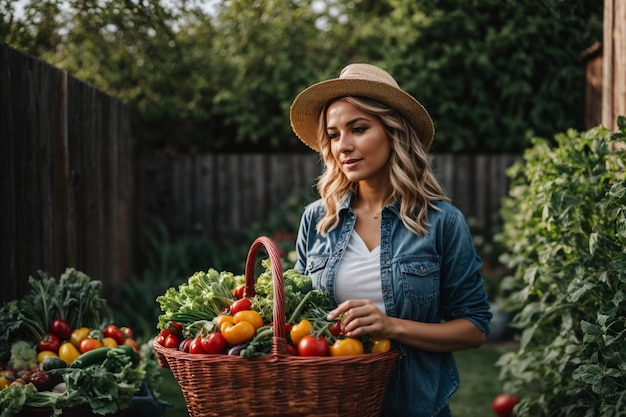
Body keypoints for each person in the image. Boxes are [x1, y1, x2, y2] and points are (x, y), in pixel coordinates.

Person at [289, 63, 492, 417]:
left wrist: (390, 326)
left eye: (359, 128)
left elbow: (474, 329)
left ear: (394, 132)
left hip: (413, 405)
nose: (344, 146)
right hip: (329, 405)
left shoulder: (441, 222)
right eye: (334, 134)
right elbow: (295, 317)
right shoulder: (318, 219)